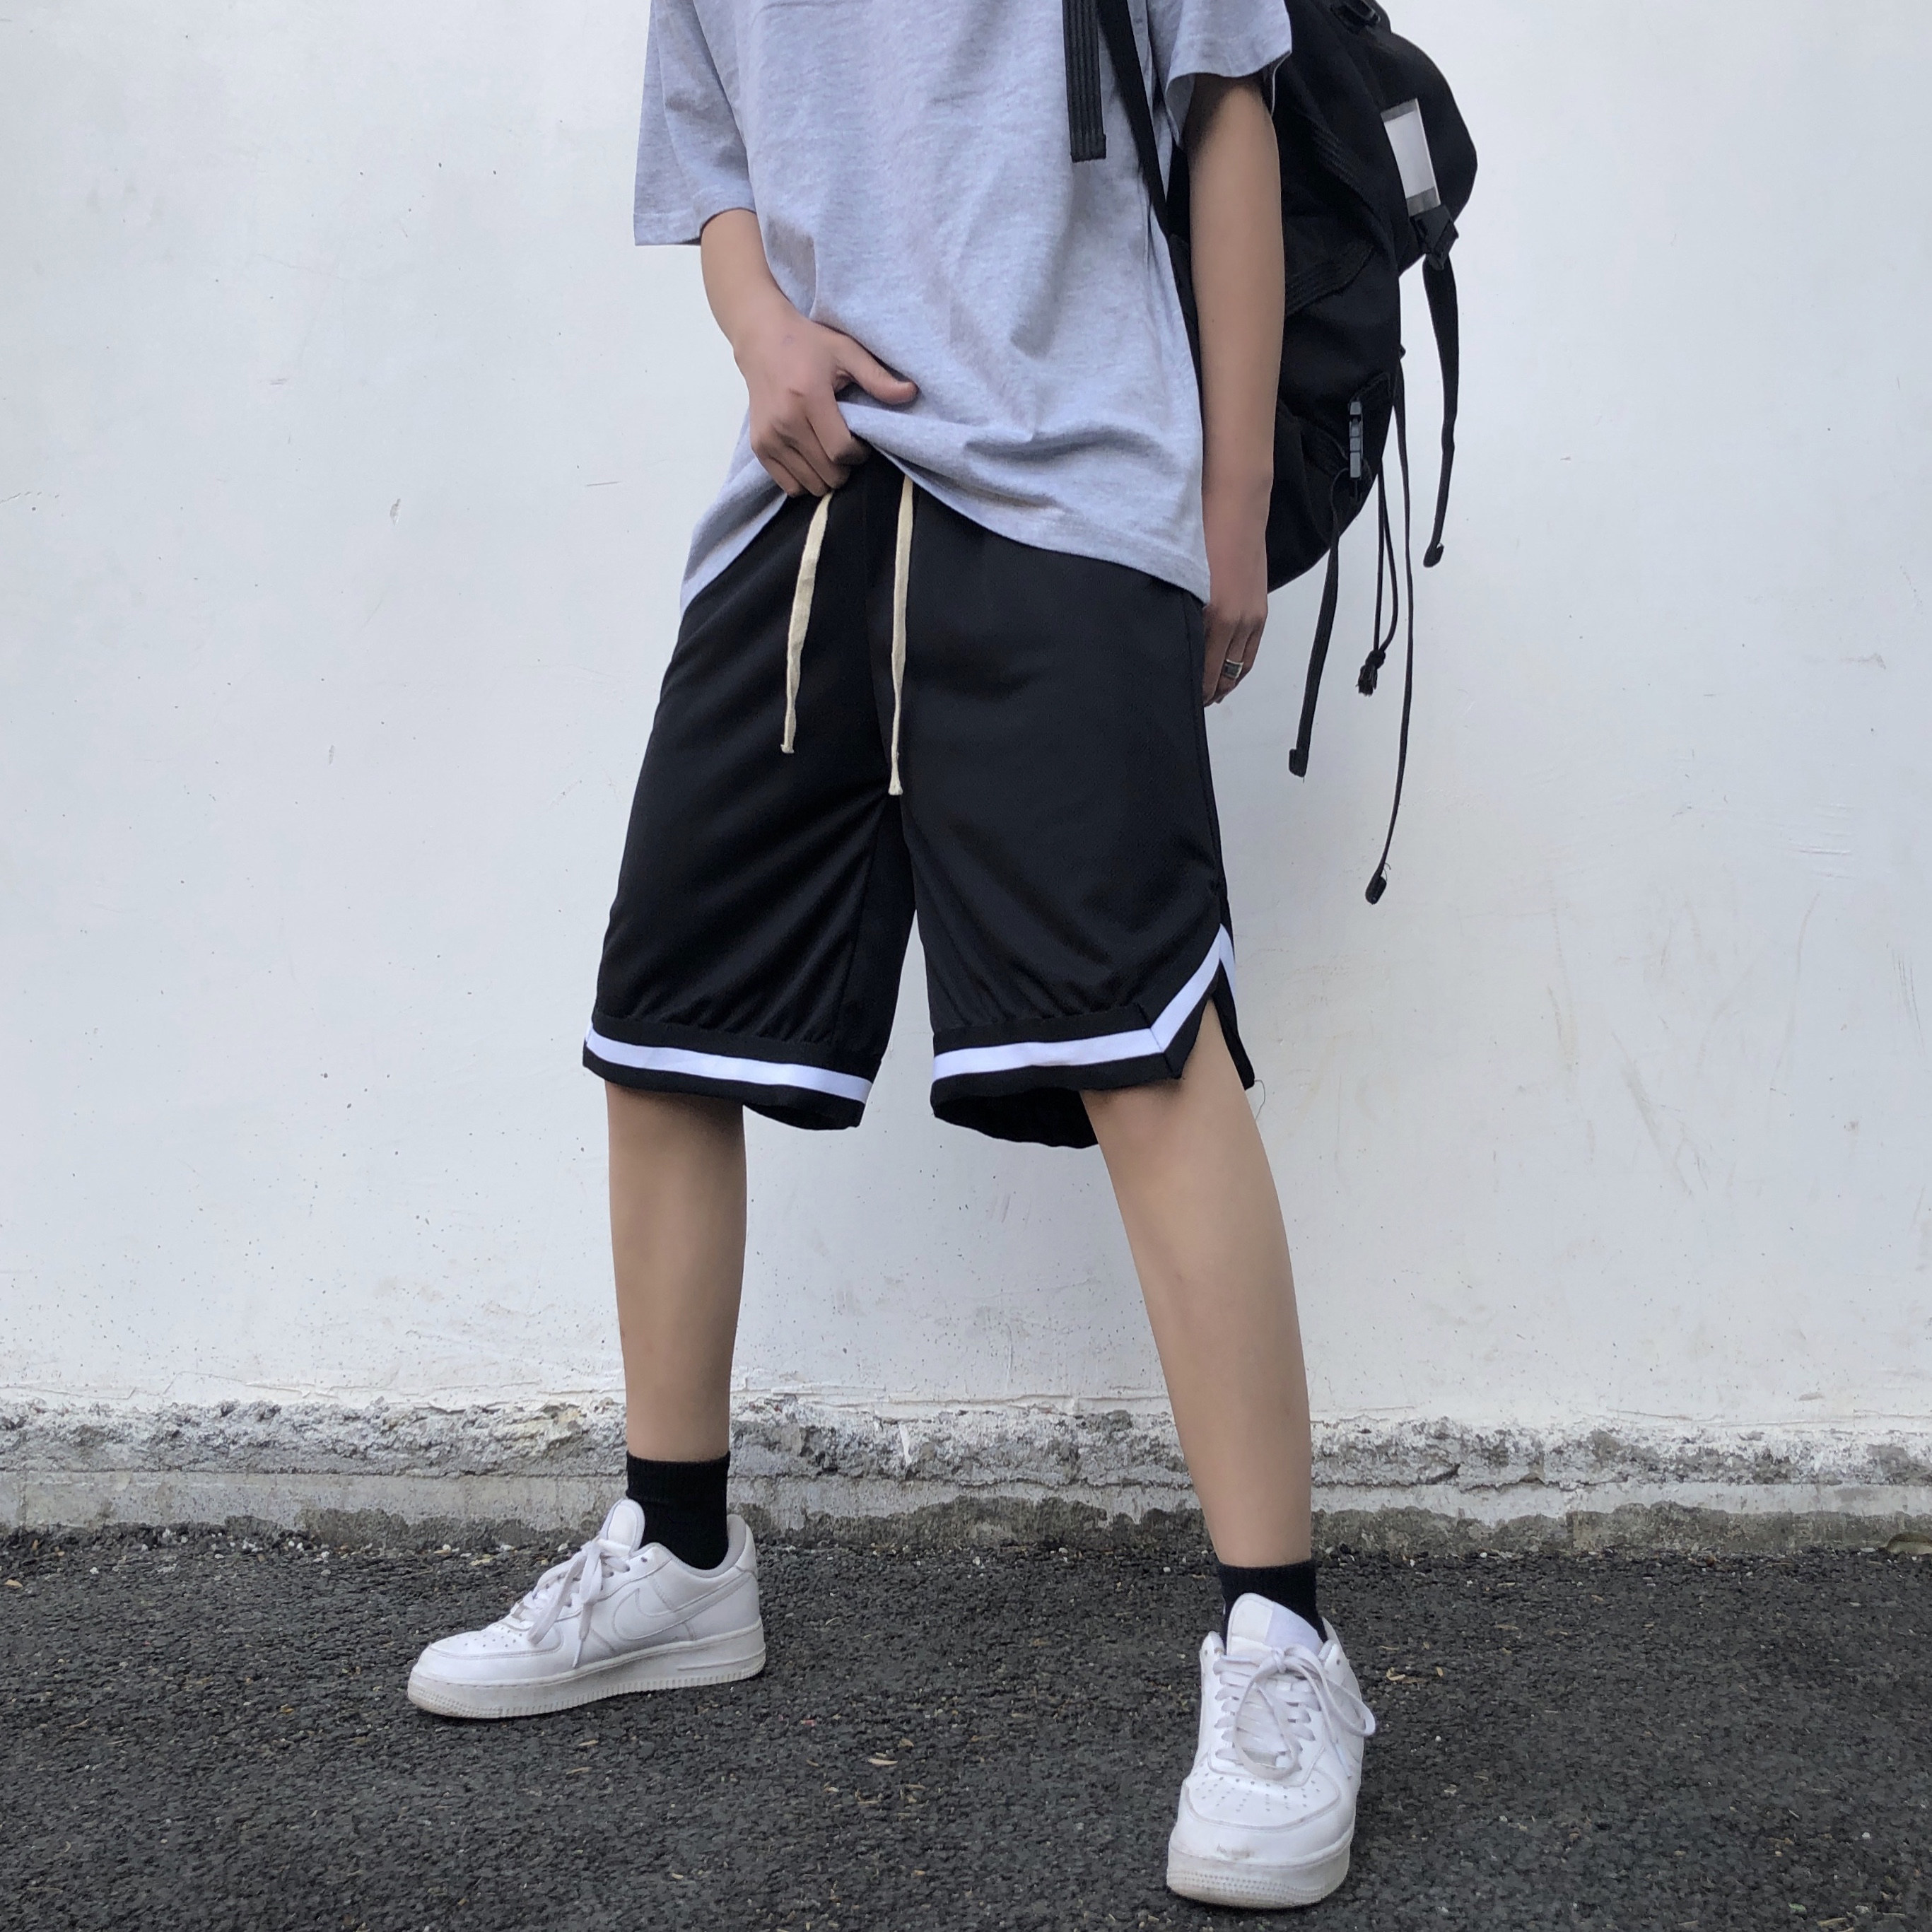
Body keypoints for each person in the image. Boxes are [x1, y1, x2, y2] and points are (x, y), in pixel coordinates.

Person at [406, 0, 1375, 1908]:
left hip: (1077, 493)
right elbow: (713, 158)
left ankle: (1284, 1642)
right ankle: (680, 1551)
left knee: (1144, 1047)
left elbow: (1231, 122)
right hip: (808, 497)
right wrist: (760, 331)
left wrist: (1229, 512)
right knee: (667, 1025)